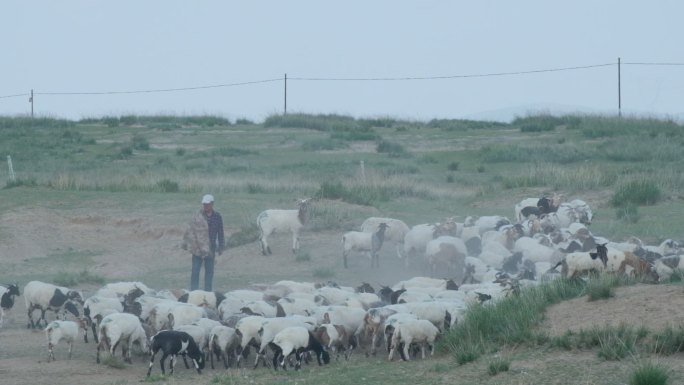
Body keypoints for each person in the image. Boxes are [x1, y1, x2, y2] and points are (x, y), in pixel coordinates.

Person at [182, 194, 225, 291]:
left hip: (211, 249)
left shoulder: (217, 217)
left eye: (207, 204)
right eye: (204, 204)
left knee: (209, 272)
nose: (205, 206)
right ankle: (193, 292)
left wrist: (221, 246)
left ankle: (208, 293)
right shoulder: (197, 217)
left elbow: (220, 232)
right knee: (195, 271)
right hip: (197, 249)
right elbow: (190, 232)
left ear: (212, 204)